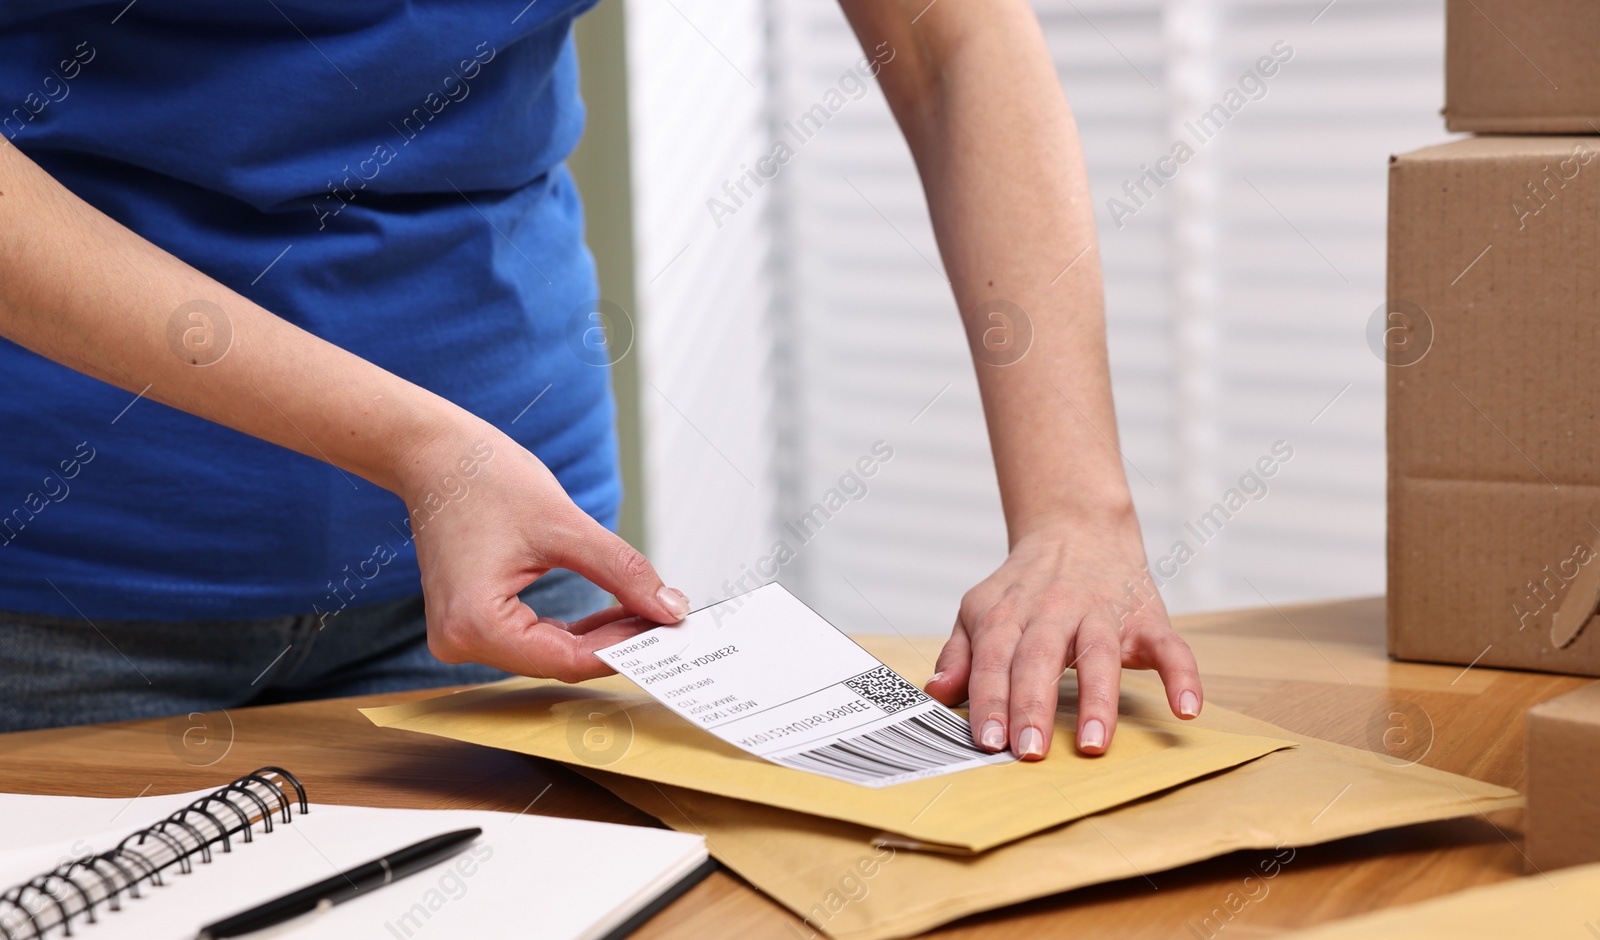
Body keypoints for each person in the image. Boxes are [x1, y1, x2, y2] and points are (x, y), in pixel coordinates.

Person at [0, 0, 1201, 756]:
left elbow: (952, 35)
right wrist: (425, 450)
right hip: (66, 573)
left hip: (518, 558)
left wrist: (1074, 511)